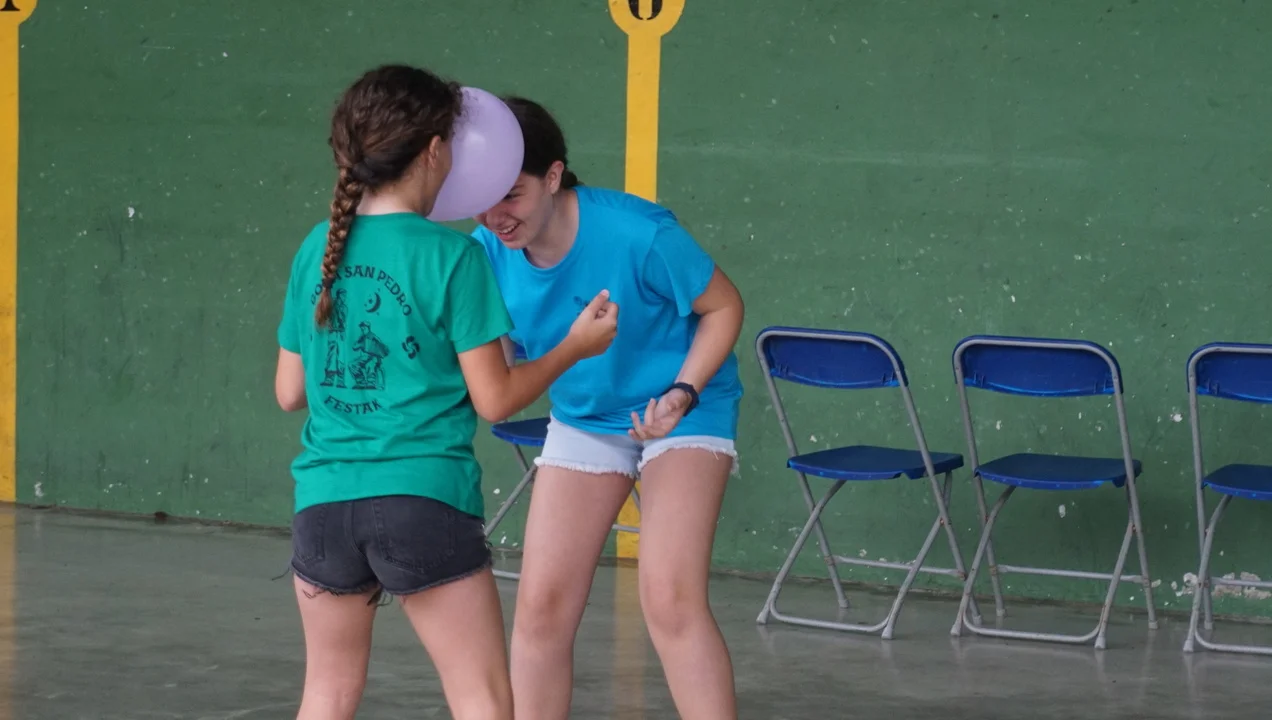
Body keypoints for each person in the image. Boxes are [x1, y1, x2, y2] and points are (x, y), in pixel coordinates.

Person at [273, 67, 618, 720]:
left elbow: (289, 390)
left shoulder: (317, 247)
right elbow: (496, 401)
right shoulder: (454, 256)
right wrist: (573, 347)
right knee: (480, 695)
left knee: (327, 692)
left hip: (323, 505)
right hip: (422, 500)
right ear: (435, 151)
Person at [472, 97, 745, 720]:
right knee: (540, 609)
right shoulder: (484, 249)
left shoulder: (639, 233)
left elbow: (724, 307)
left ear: (553, 176)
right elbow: (501, 366)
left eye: (511, 196)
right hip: (585, 415)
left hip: (683, 408)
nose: (496, 216)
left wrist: (683, 392)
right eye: (484, 201)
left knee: (669, 599)